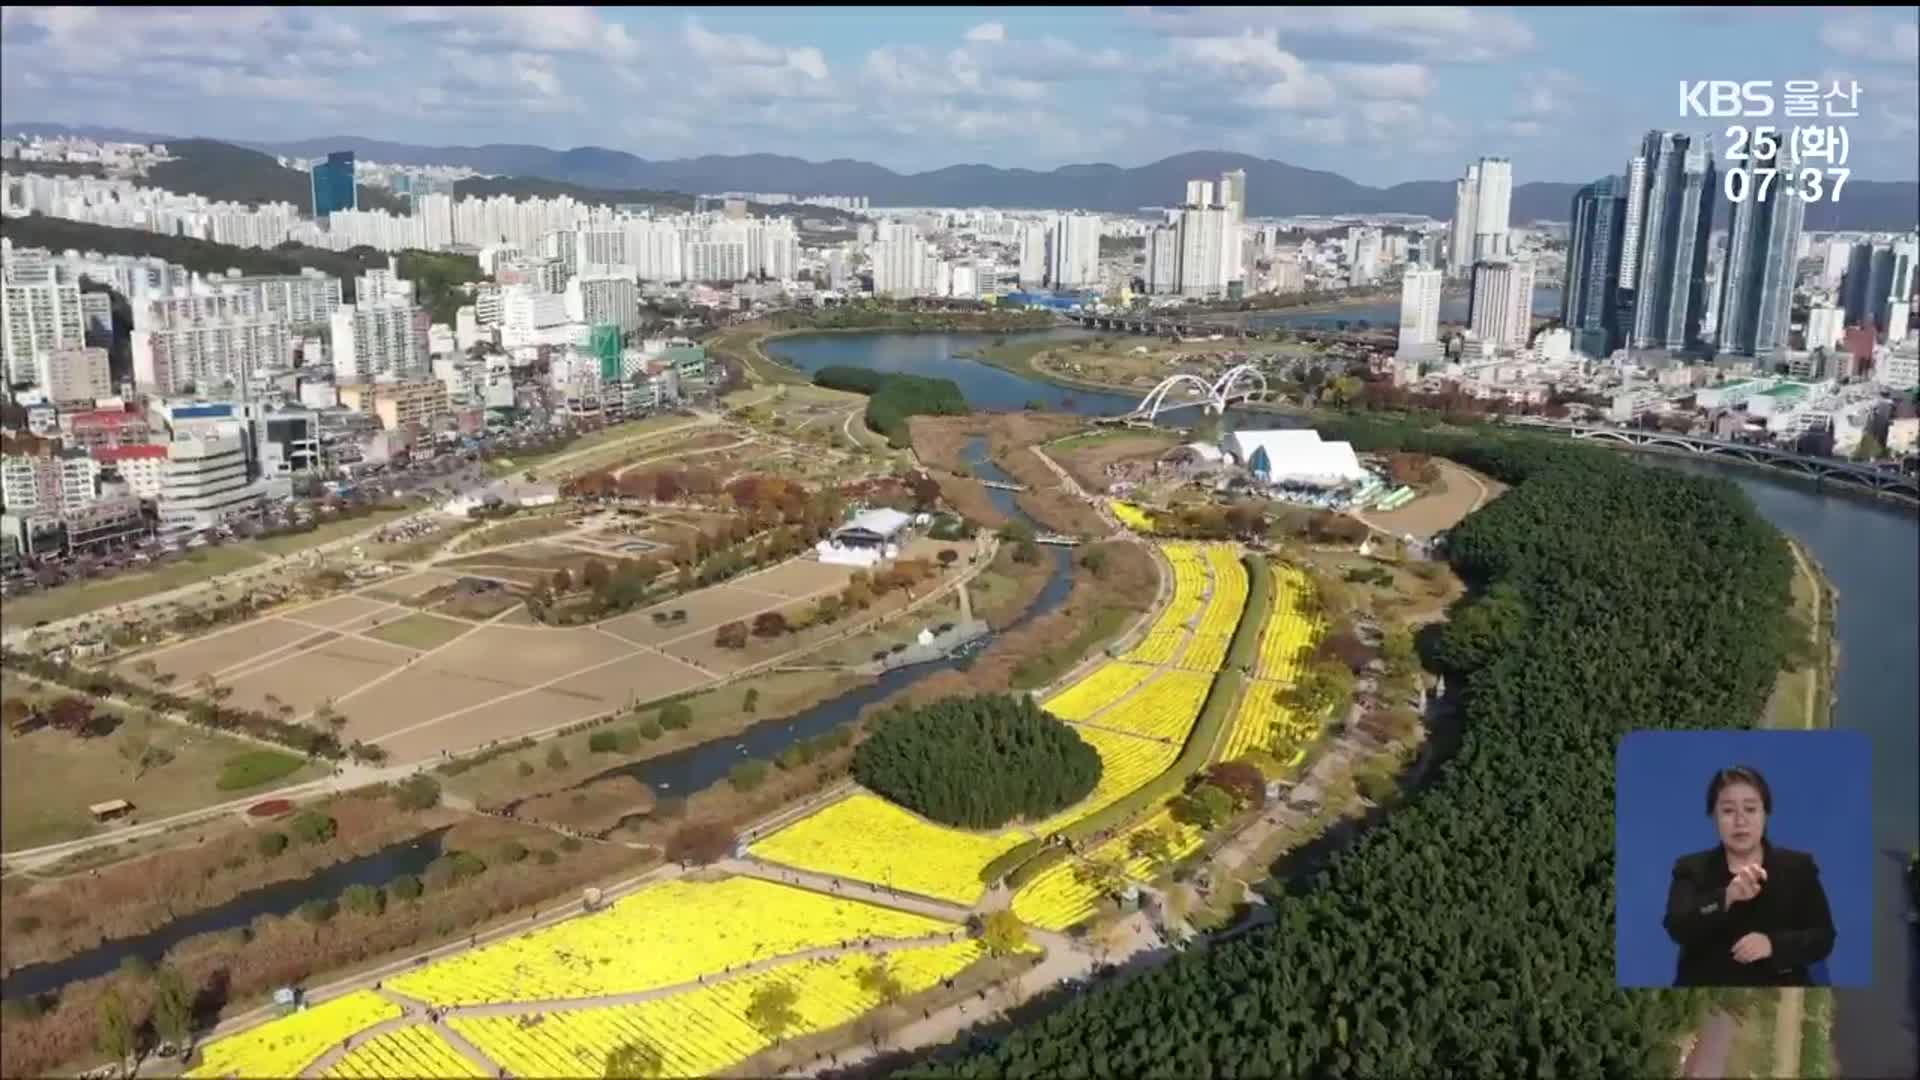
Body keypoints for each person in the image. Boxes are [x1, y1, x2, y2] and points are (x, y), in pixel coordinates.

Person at [1663, 765, 1836, 987]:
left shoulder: (1798, 868)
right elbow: (1677, 927)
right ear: (1713, 815)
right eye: (1728, 811)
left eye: (1751, 809)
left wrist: (1773, 945)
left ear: (1765, 813)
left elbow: (1823, 937)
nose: (1740, 821)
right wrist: (1726, 896)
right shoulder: (1691, 869)